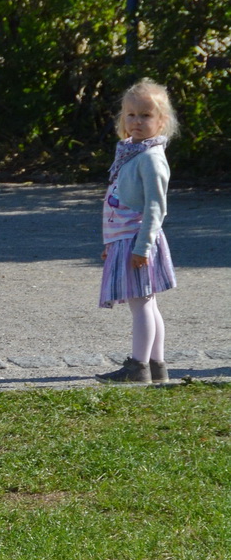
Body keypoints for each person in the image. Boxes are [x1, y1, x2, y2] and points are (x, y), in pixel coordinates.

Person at [96, 78, 178, 386]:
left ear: (161, 121)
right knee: (148, 303)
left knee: (141, 303)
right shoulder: (132, 153)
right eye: (130, 114)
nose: (136, 121)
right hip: (125, 239)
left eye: (145, 115)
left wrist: (142, 247)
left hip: (137, 241)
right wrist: (110, 242)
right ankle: (156, 365)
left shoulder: (151, 158)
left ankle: (138, 366)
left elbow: (156, 208)